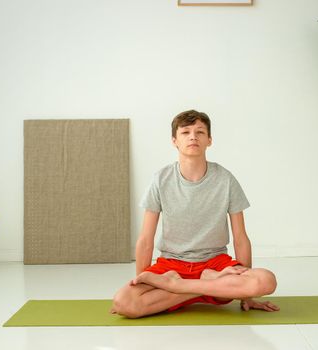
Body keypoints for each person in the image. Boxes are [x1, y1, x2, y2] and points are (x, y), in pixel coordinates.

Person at [110, 110, 279, 318]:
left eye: (200, 132)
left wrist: (247, 296)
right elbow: (145, 239)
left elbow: (241, 238)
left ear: (209, 140)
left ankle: (181, 286)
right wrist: (143, 281)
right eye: (185, 132)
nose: (193, 137)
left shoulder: (226, 179)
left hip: (216, 264)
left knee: (266, 280)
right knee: (123, 302)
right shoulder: (160, 180)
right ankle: (204, 284)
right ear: (174, 141)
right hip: (174, 265)